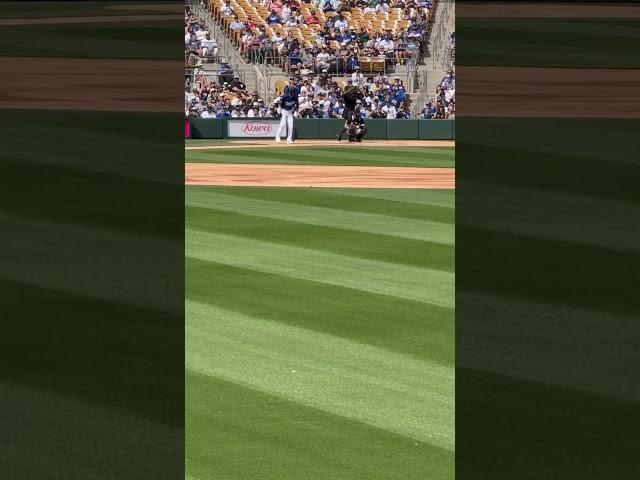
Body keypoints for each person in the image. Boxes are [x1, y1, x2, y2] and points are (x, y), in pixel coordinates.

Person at [275, 79, 298, 144]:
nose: (292, 94)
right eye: (292, 93)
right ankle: (277, 137)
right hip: (284, 111)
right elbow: (277, 102)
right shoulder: (285, 96)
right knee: (283, 124)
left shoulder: (295, 97)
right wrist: (278, 108)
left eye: (293, 93)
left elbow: (297, 103)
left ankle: (289, 139)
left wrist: (296, 110)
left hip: (290, 112)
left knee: (291, 126)